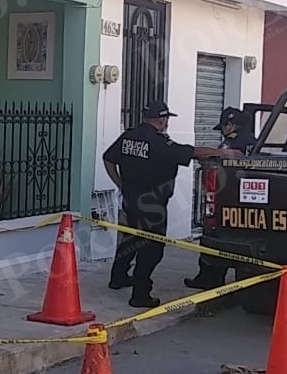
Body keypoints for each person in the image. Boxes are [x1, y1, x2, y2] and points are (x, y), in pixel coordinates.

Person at [102, 101, 240, 308]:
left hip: (129, 200)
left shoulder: (128, 137)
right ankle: (140, 294)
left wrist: (120, 184)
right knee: (152, 249)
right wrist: (225, 153)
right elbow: (193, 152)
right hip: (152, 205)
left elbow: (108, 158)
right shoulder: (159, 143)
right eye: (166, 119)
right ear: (162, 120)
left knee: (129, 240)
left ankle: (118, 277)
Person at [184, 107, 258, 291]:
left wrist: (201, 154)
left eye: (223, 127)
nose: (223, 132)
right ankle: (213, 278)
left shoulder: (234, 142)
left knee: (214, 232)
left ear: (230, 125)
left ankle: (209, 279)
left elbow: (227, 156)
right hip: (247, 197)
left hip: (225, 195)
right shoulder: (254, 140)